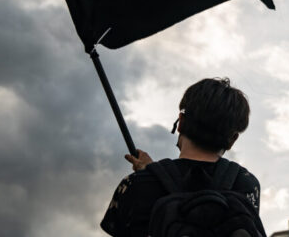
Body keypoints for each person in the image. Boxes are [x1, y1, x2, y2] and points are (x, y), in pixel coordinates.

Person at [101, 78, 264, 237]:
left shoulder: (134, 185)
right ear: (232, 139)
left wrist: (148, 175)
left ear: (180, 122)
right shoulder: (247, 184)